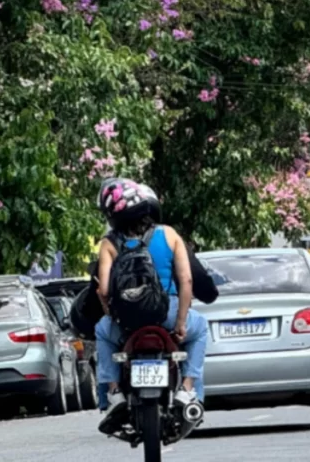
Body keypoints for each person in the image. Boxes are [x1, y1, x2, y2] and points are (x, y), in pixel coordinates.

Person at [94, 179, 209, 432]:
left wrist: (111, 314)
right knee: (201, 328)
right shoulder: (169, 234)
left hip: (127, 323)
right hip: (166, 314)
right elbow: (187, 280)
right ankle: (187, 390)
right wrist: (179, 323)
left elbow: (103, 290)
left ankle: (113, 394)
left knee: (102, 332)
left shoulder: (109, 244)